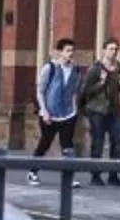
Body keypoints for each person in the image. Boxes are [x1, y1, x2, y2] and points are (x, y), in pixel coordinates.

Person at [29, 34, 84, 174]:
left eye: (72, 50)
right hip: (50, 114)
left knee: (68, 146)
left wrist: (74, 109)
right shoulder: (50, 68)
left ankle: (69, 176)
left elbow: (75, 91)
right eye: (67, 50)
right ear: (60, 52)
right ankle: (32, 172)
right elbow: (40, 91)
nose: (71, 53)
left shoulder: (76, 70)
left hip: (68, 113)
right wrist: (44, 111)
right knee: (45, 144)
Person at [80, 38, 120, 184]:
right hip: (97, 110)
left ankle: (113, 175)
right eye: (110, 49)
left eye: (116, 49)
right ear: (104, 50)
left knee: (117, 141)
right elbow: (85, 91)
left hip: (114, 110)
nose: (113, 52)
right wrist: (101, 83)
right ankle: (95, 175)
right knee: (98, 142)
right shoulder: (95, 69)